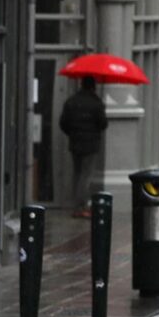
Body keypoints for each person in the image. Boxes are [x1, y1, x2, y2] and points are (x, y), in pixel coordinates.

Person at [58, 76, 107, 218]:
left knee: (78, 174)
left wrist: (73, 133)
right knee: (86, 176)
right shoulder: (96, 103)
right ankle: (81, 206)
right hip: (90, 144)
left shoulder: (71, 101)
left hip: (75, 143)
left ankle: (77, 204)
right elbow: (103, 123)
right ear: (93, 87)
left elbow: (63, 123)